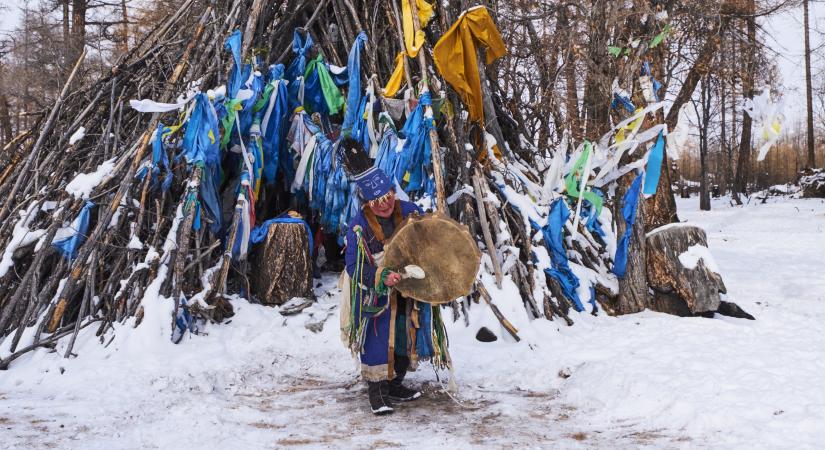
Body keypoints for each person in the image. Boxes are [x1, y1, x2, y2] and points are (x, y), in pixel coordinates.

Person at [340, 137, 448, 415]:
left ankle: (396, 384)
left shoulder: (410, 213)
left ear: (393, 192)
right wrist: (380, 276)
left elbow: (428, 241)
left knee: (404, 336)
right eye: (377, 201)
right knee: (377, 340)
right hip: (374, 295)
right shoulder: (358, 226)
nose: (385, 204)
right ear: (368, 202)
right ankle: (377, 392)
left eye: (388, 197)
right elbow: (353, 265)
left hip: (407, 292)